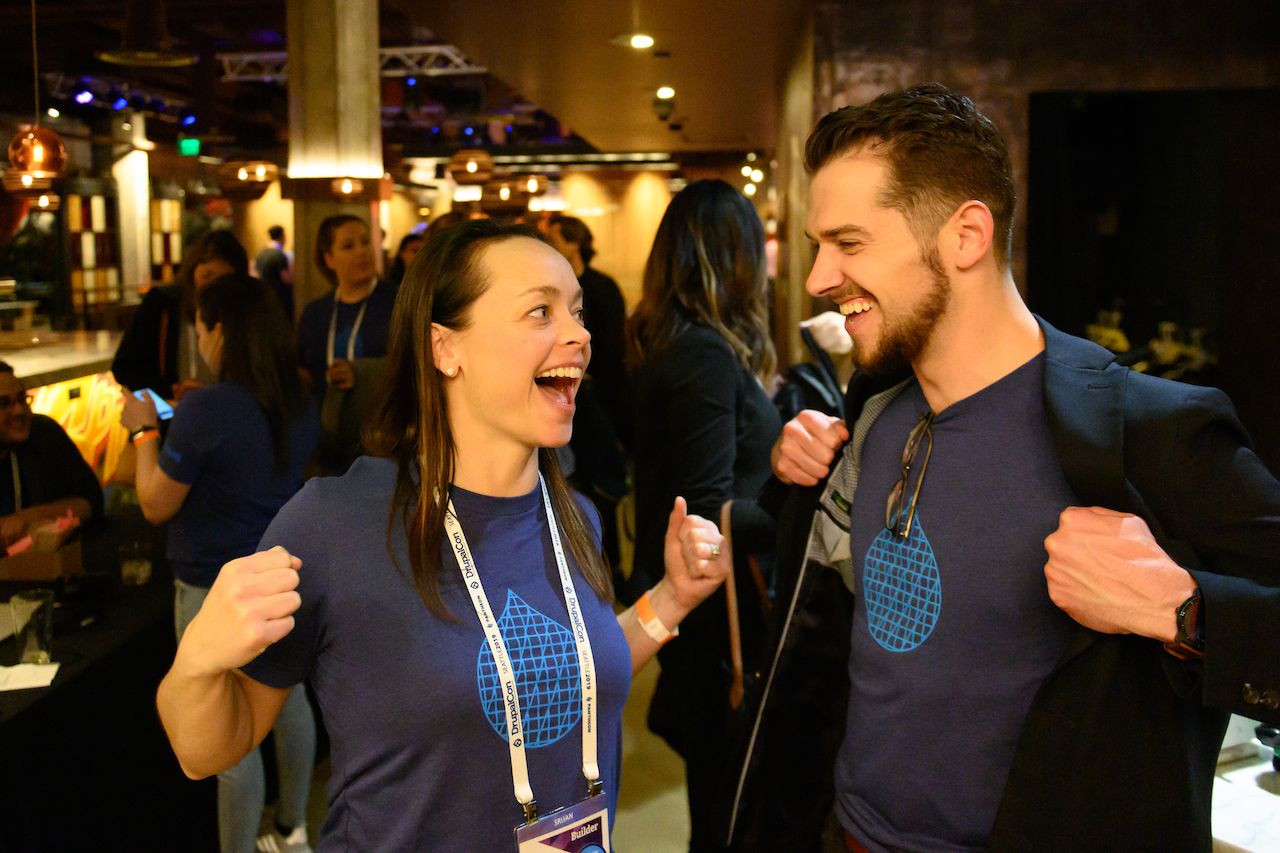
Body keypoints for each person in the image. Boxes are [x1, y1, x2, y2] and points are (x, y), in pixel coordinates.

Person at [724, 84, 1280, 853]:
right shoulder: (877, 405)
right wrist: (795, 482)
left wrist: (1185, 612)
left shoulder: (1145, 434)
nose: (819, 278)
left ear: (967, 235)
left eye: (849, 244)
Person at [154, 220, 733, 850]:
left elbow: (560, 669)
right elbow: (207, 750)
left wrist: (672, 598)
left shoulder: (573, 514)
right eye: (540, 311)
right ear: (444, 348)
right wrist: (198, 662)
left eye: (577, 312)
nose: (579, 335)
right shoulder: (334, 525)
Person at [121, 274, 319, 853]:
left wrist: (144, 433)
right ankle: (293, 828)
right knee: (289, 703)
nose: (199, 339)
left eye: (201, 328)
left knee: (226, 735)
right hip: (282, 575)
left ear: (220, 331)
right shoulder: (297, 392)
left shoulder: (210, 407)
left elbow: (157, 502)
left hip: (213, 585)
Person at [627, 180, 782, 852]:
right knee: (729, 809)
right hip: (719, 618)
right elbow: (707, 513)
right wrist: (804, 502)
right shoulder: (704, 354)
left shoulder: (683, 343)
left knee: (722, 803)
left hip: (705, 615)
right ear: (733, 256)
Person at [546, 214, 629, 571]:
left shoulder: (603, 287)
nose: (576, 334)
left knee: (598, 495)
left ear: (575, 242)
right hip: (567, 399)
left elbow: (613, 349)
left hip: (599, 402)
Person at [295, 215, 397, 473]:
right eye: (348, 246)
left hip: (384, 440)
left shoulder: (397, 301)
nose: (361, 252)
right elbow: (306, 370)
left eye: (365, 242)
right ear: (329, 259)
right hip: (328, 443)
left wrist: (361, 373)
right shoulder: (316, 313)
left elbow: (413, 363)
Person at [113, 229, 249, 401]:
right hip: (171, 417)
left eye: (224, 280)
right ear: (192, 272)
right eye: (207, 276)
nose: (214, 288)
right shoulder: (162, 304)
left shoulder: (246, 316)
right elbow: (125, 368)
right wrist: (167, 401)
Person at [0, 362, 102, 547]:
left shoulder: (42, 433)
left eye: (22, 399)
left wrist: (26, 517)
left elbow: (91, 502)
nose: (19, 411)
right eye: (3, 404)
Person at [254, 224, 294, 321]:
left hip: (265, 298)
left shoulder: (261, 253)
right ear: (282, 237)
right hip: (281, 300)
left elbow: (257, 274)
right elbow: (286, 279)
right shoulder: (279, 254)